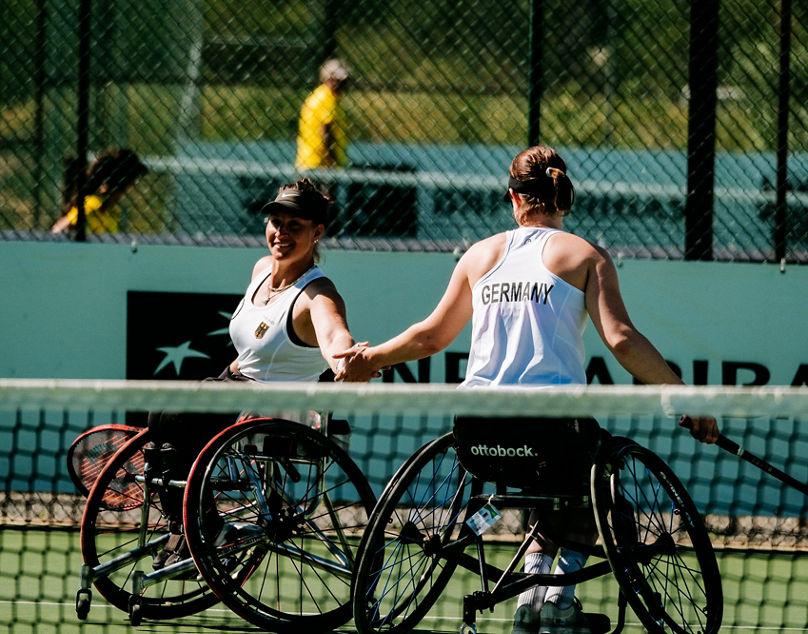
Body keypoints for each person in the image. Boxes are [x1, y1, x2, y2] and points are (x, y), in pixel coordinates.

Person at [334, 145, 719, 634]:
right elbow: (621, 340)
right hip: (552, 432)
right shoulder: (584, 254)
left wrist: (369, 359)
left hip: (476, 437)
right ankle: (559, 599)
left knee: (548, 483)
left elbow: (431, 336)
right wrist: (682, 395)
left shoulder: (480, 255)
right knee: (598, 475)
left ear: (512, 197)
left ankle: (527, 602)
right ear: (563, 198)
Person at [148, 177, 368, 568]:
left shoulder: (319, 295)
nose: (281, 233)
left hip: (275, 408)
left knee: (176, 417)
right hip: (234, 385)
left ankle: (202, 528)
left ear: (317, 233)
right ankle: (196, 525)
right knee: (160, 415)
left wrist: (345, 359)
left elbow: (335, 335)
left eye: (294, 226)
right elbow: (249, 350)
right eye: (276, 222)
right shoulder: (262, 269)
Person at [51, 147, 148, 234]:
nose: (134, 184)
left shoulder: (111, 211)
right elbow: (58, 230)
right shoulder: (93, 205)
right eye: (132, 180)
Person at [295, 59, 351, 170]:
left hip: (312, 163)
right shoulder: (326, 98)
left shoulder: (321, 96)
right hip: (321, 165)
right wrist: (334, 161)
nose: (344, 84)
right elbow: (326, 133)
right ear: (328, 79)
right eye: (339, 81)